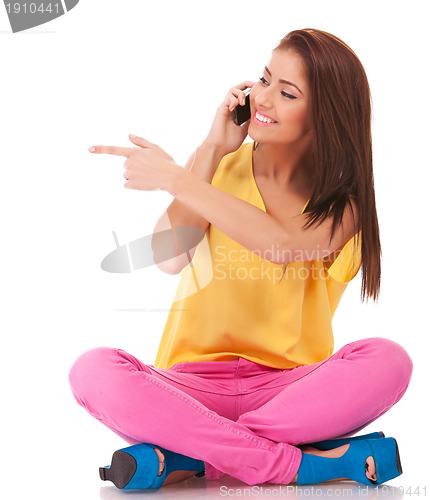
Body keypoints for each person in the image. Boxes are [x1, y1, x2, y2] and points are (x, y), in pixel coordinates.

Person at [69, 28, 413, 489]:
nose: (263, 99)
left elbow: (282, 247)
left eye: (286, 92)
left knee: (390, 360)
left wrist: (176, 177)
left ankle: (189, 457)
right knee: (92, 371)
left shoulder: (345, 205)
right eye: (264, 79)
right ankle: (307, 465)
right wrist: (209, 151)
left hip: (288, 395)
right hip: (191, 391)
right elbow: (169, 257)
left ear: (324, 117)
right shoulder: (217, 166)